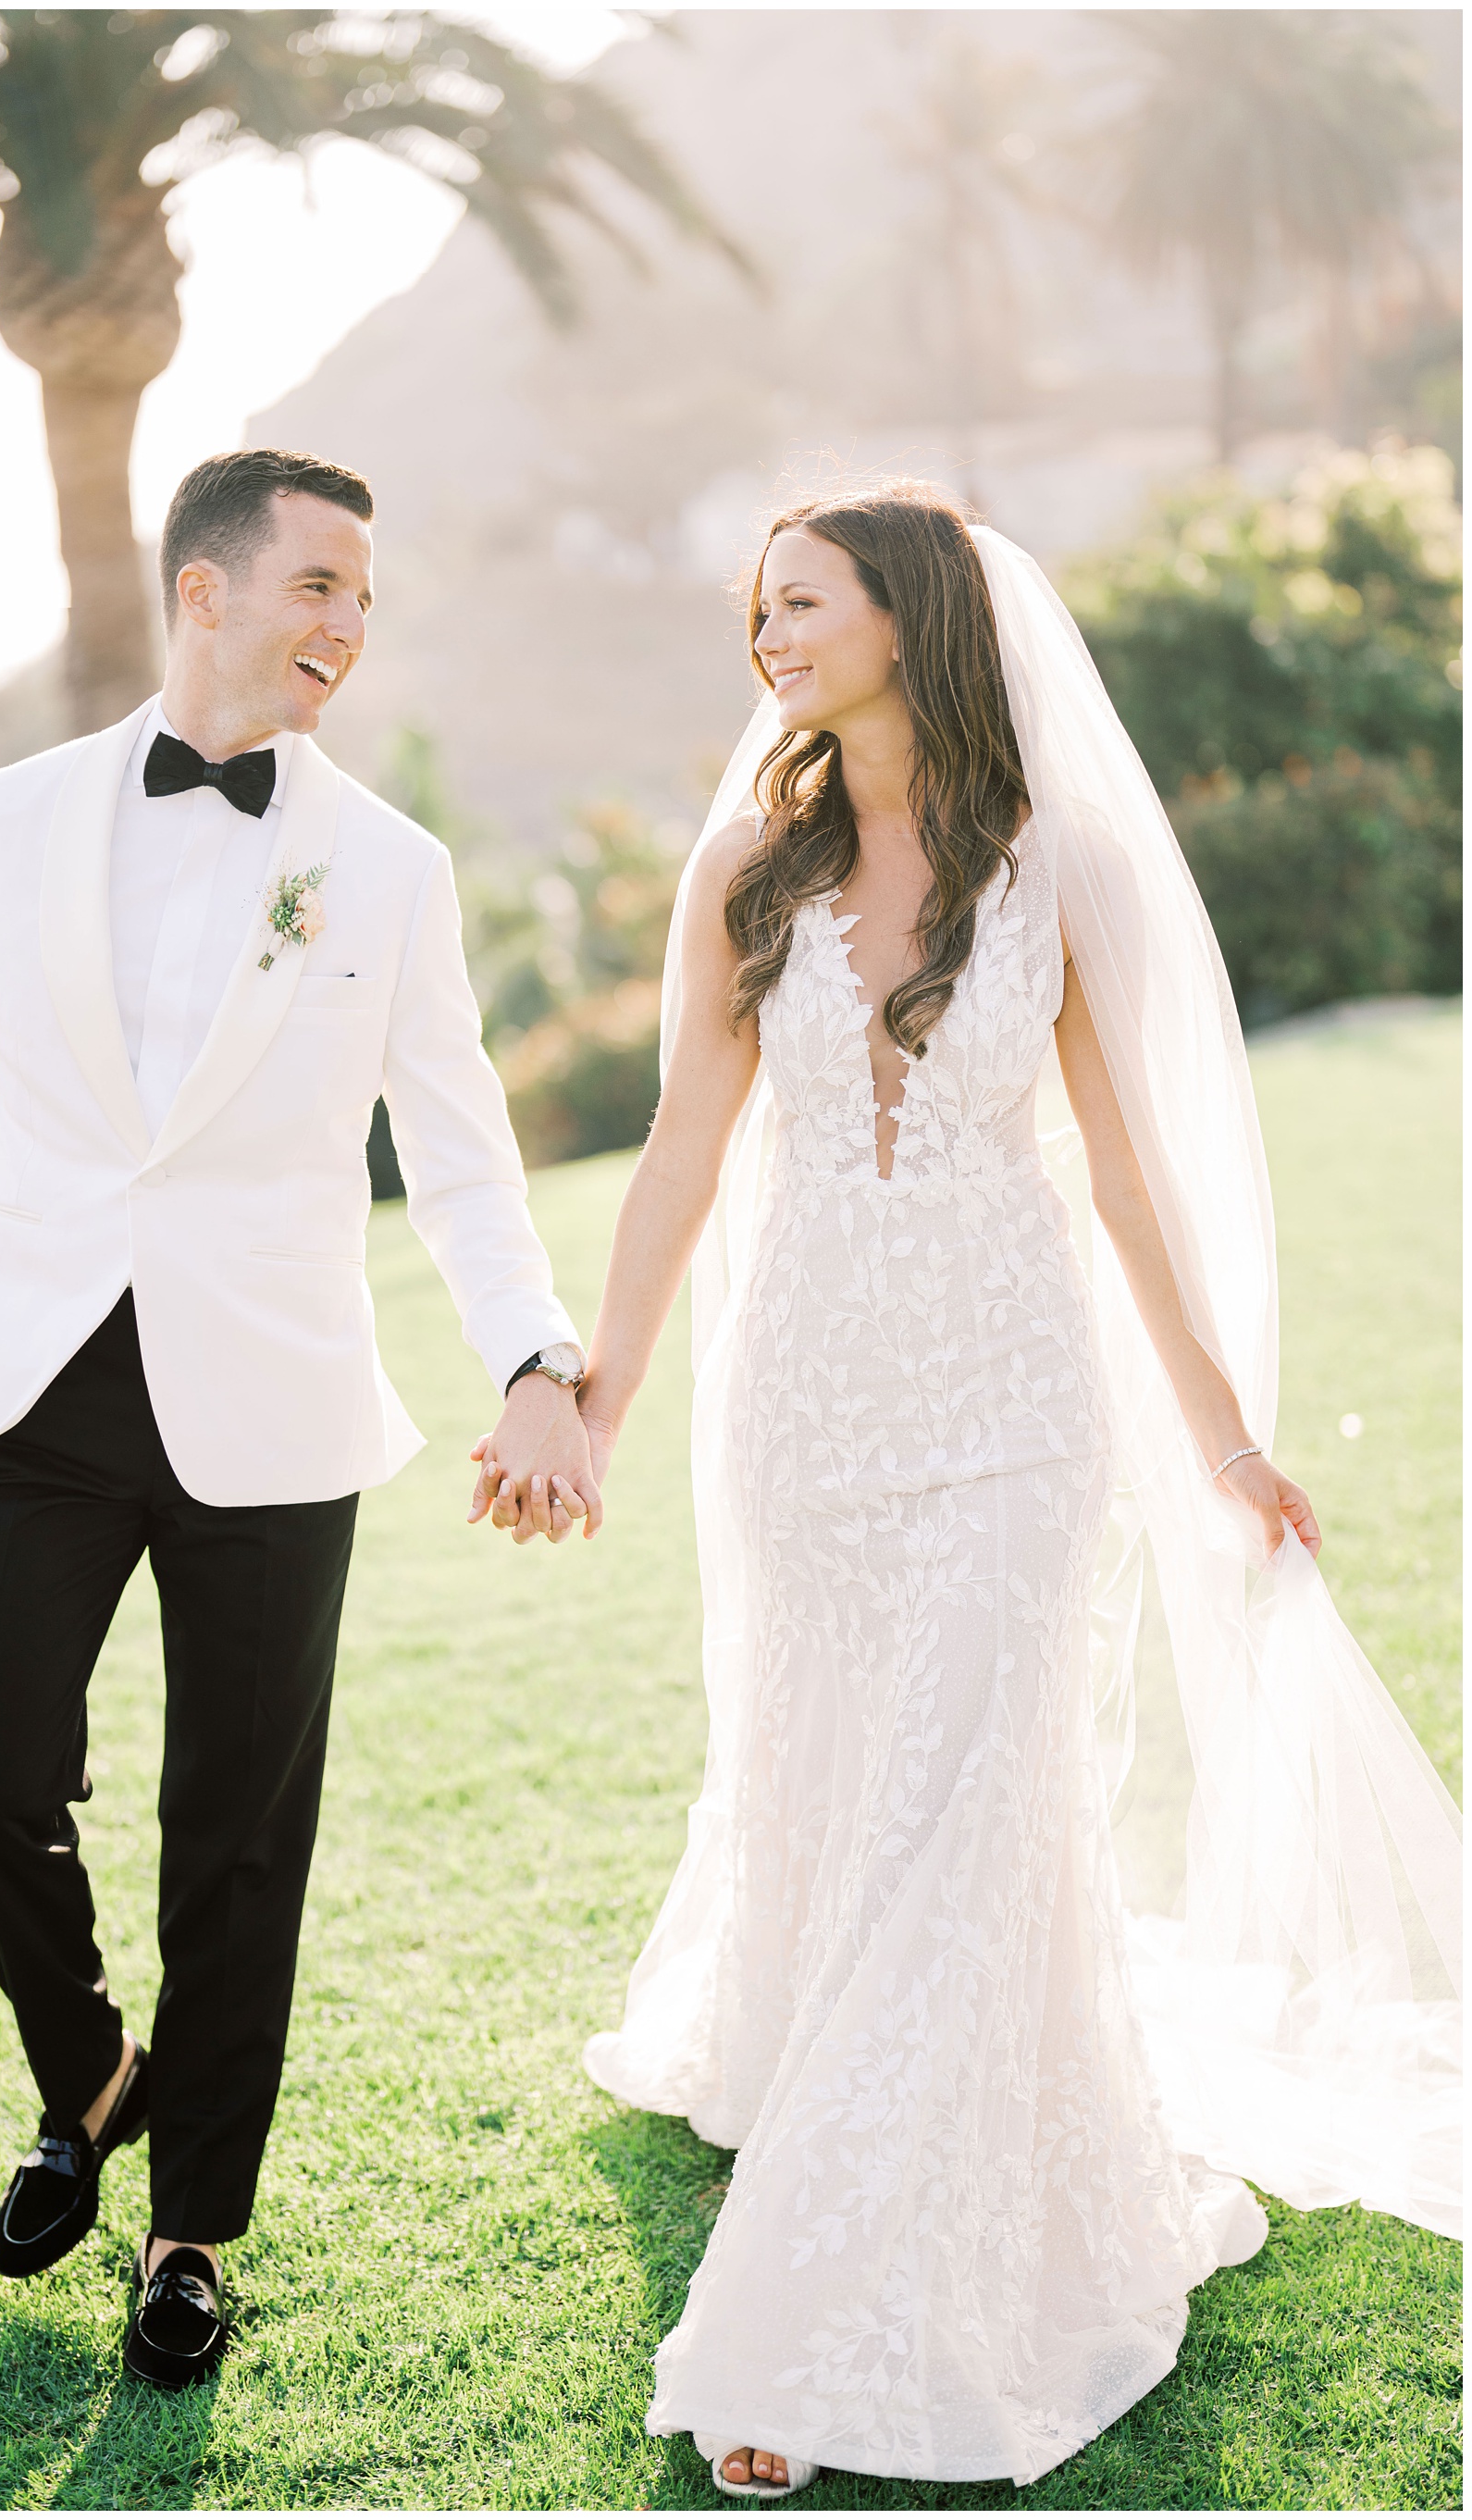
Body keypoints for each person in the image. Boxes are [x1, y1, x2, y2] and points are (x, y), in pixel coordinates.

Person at [575, 481, 1460, 2495]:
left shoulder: (1060, 862)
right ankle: (866, 2103)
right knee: (841, 1787)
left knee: (959, 1814)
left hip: (1012, 1408)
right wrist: (594, 1402)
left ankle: (803, 2325)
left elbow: (1127, 1175)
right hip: (808, 1406)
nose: (768, 638)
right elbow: (682, 1151)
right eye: (759, 608)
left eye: (803, 601)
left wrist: (1224, 1434)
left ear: (909, 617)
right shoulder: (749, 867)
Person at [0, 446, 598, 2391]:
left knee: (238, 1835)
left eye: (365, 598)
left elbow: (459, 1151)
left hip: (273, 1396)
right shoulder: (7, 817)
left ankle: (189, 2231)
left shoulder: (392, 866)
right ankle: (91, 2070)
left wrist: (531, 1358)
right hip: (28, 1371)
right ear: (205, 591)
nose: (349, 626)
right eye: (319, 586)